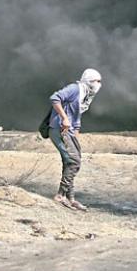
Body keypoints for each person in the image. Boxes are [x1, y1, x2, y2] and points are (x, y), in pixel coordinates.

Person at [48, 68, 102, 210]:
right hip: (59, 129)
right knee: (73, 161)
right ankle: (60, 195)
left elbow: (76, 117)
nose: (99, 84)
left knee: (72, 160)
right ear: (89, 81)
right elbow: (55, 98)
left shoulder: (85, 95)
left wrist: (75, 135)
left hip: (69, 131)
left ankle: (70, 198)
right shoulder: (75, 89)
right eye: (97, 81)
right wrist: (64, 118)